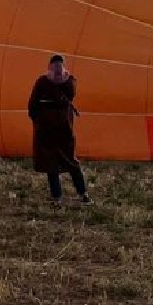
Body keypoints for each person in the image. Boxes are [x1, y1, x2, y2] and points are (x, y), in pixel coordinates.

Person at [28, 54, 91, 206]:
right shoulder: (70, 82)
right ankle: (83, 194)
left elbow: (32, 105)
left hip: (46, 128)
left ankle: (57, 197)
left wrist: (37, 120)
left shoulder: (43, 82)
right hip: (64, 127)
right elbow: (71, 97)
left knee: (51, 162)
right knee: (70, 159)